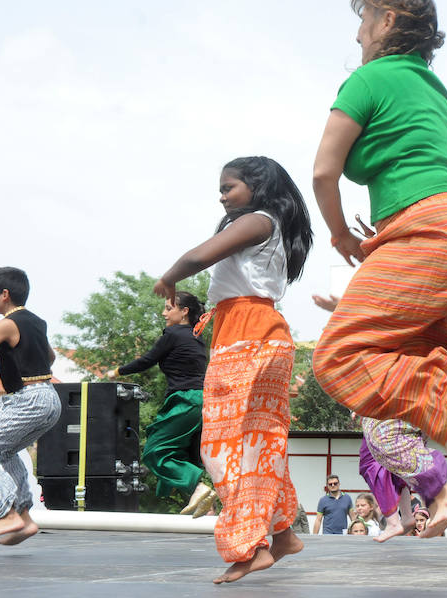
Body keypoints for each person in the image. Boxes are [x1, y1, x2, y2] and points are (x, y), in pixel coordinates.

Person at [311, 0, 447, 537]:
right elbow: (414, 165)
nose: (358, 36)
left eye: (363, 20)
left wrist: (341, 235)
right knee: (417, 360)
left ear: (388, 20)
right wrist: (388, 242)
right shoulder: (430, 85)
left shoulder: (370, 78)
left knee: (337, 358)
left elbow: (324, 173)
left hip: (430, 234)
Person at [153, 156, 312, 584]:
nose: (221, 196)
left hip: (247, 335)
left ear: (256, 188)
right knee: (259, 443)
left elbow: (199, 256)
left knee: (221, 447)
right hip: (261, 333)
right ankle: (280, 535)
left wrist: (170, 277)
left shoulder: (259, 220)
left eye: (229, 187)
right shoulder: (269, 225)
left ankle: (249, 544)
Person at [313, 293, 447, 542]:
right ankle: (404, 517)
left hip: (394, 408)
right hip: (401, 406)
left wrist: (339, 308)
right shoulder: (385, 340)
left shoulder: (388, 335)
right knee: (390, 463)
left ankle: (403, 516)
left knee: (375, 463)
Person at [0, 268, 61, 546]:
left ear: (4, 295)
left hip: (28, 399)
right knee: (5, 453)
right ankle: (25, 518)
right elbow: (50, 356)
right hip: (45, 397)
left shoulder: (7, 323)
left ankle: (6, 513)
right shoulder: (37, 322)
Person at [106, 291, 211, 517]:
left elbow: (147, 360)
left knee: (155, 452)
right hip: (199, 401)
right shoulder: (195, 336)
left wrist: (117, 371)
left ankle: (200, 489)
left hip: (186, 400)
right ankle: (207, 508)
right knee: (181, 455)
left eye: (168, 308)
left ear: (184, 312)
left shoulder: (174, 333)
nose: (164, 313)